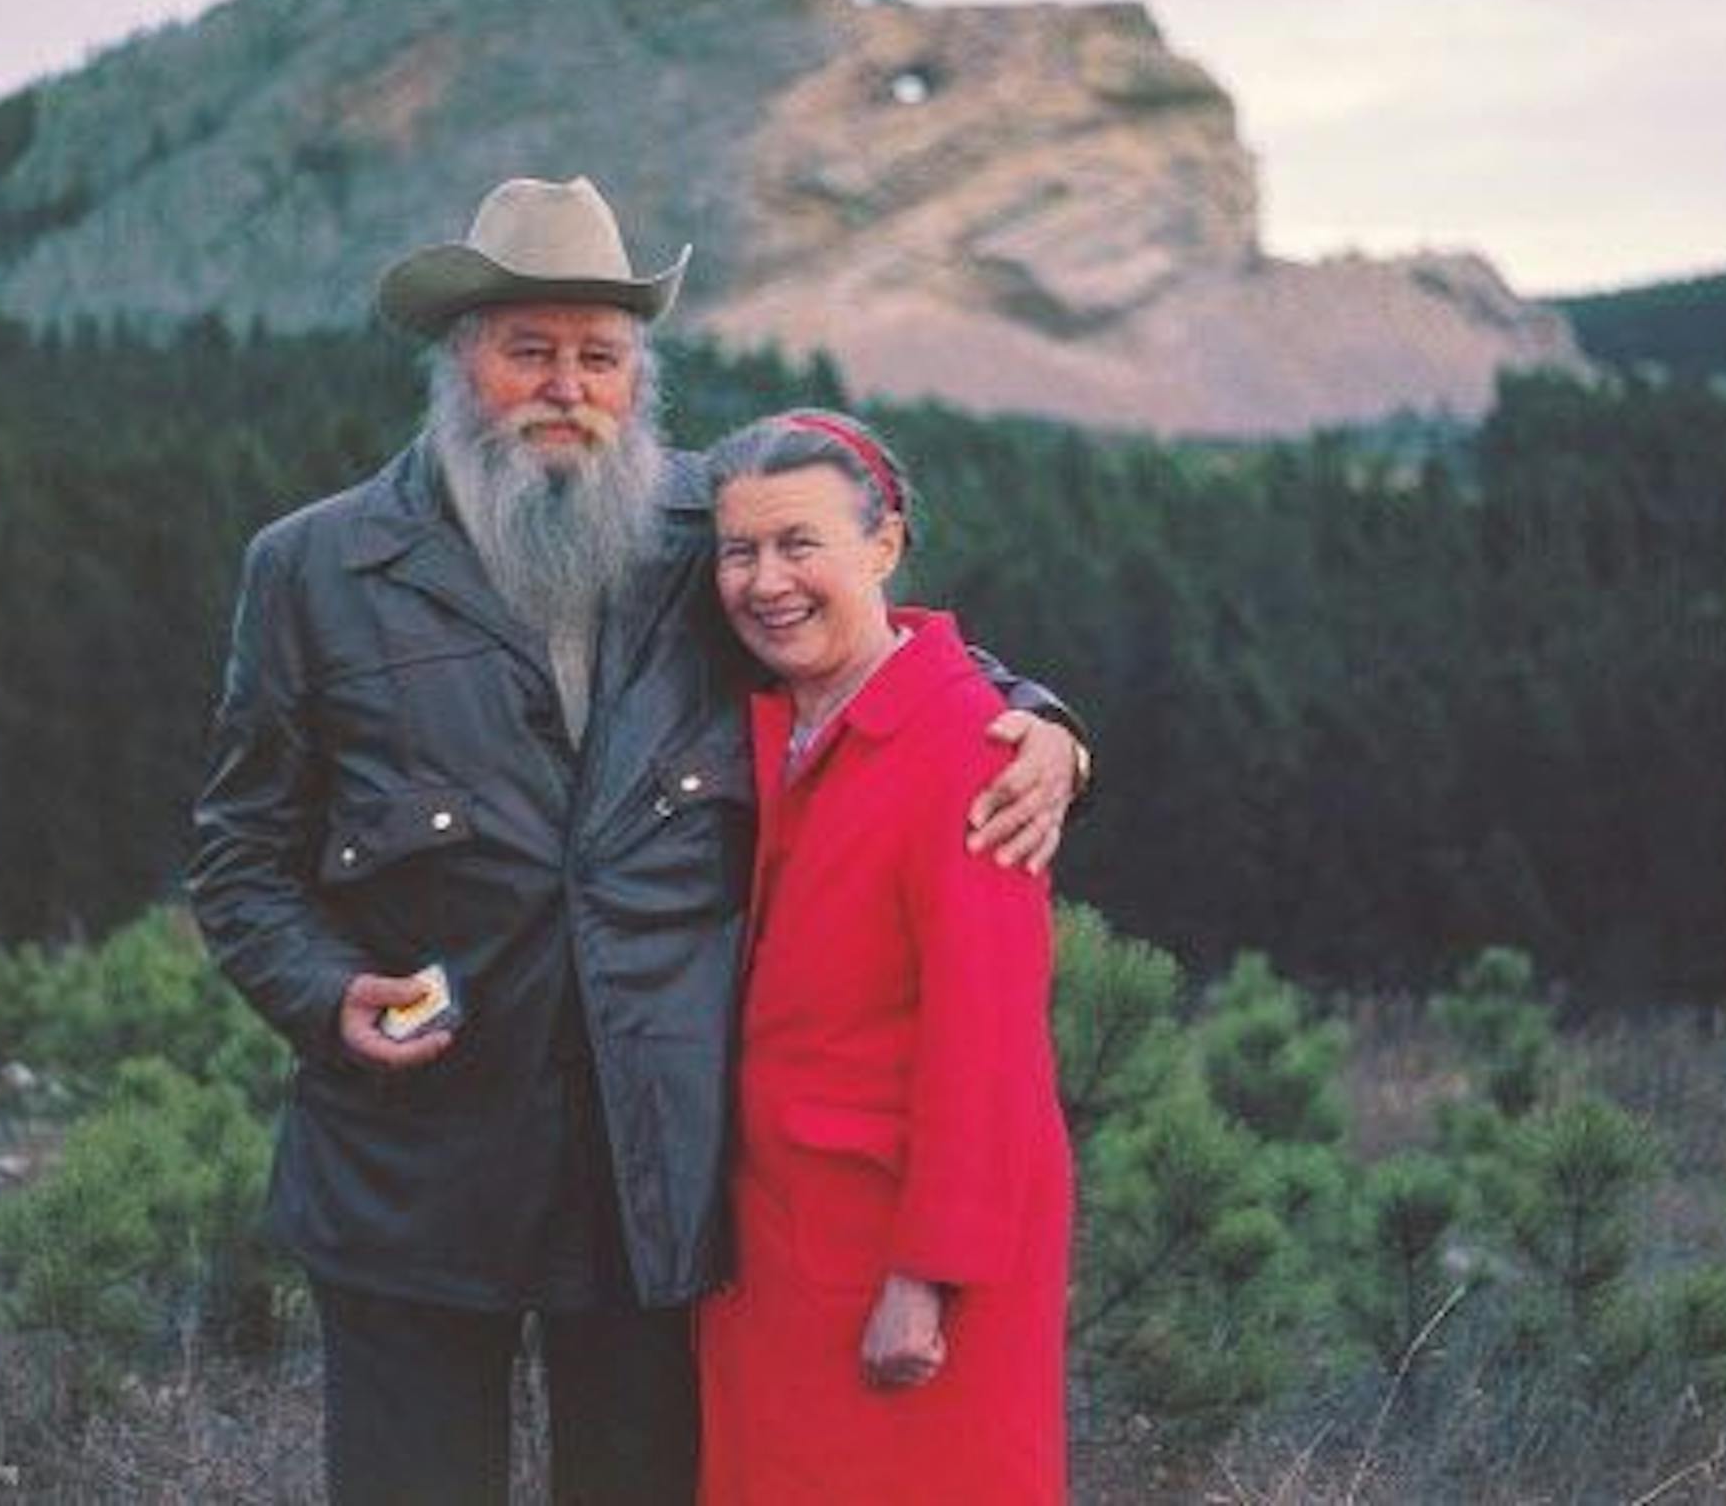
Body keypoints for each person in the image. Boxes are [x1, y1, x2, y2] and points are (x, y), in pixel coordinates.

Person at [187, 176, 1088, 1505]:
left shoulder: (700, 539)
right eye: (529, 351)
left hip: (654, 1180)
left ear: (638, 378)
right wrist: (326, 997)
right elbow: (241, 860)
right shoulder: (314, 570)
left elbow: (863, 635)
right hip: (410, 1174)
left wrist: (1039, 719)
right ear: (459, 362)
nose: (567, 387)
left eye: (600, 357)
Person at [698, 411, 1074, 1504]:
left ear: (885, 545)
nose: (767, 580)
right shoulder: (780, 721)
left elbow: (990, 1040)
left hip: (897, 1256)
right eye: (739, 550)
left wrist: (931, 1275)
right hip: (782, 1245)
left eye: (799, 542)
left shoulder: (969, 745)